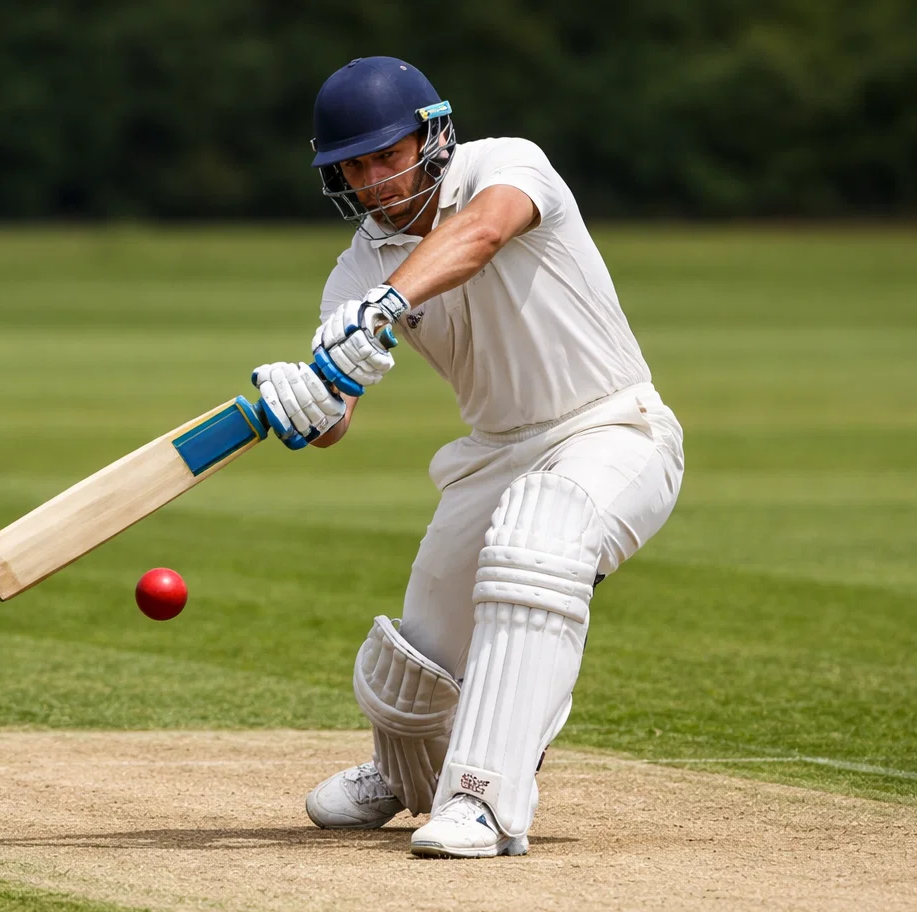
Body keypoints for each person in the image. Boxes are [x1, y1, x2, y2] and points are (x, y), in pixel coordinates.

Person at [252, 57, 684, 858]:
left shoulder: (507, 164)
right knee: (414, 669)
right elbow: (336, 418)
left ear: (433, 136)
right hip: (493, 456)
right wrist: (306, 402)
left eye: (390, 155)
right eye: (356, 165)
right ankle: (409, 774)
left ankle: (484, 799)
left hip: (613, 429)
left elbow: (482, 233)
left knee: (538, 542)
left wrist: (386, 307)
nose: (377, 179)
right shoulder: (356, 268)